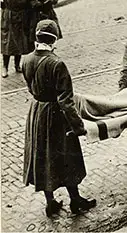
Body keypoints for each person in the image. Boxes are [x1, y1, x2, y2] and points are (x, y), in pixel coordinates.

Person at [22, 19, 96, 217]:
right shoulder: (57, 64)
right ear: (54, 40)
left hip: (37, 113)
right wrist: (79, 127)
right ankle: (76, 200)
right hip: (56, 117)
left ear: (37, 37)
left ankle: (50, 202)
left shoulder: (26, 59)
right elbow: (66, 101)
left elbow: (31, 88)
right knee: (67, 157)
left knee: (43, 158)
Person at [1, 0, 33, 78]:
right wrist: (3, 6)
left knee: (20, 42)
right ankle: (5, 67)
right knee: (8, 43)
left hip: (21, 17)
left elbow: (30, 0)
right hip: (9, 18)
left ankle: (17, 65)